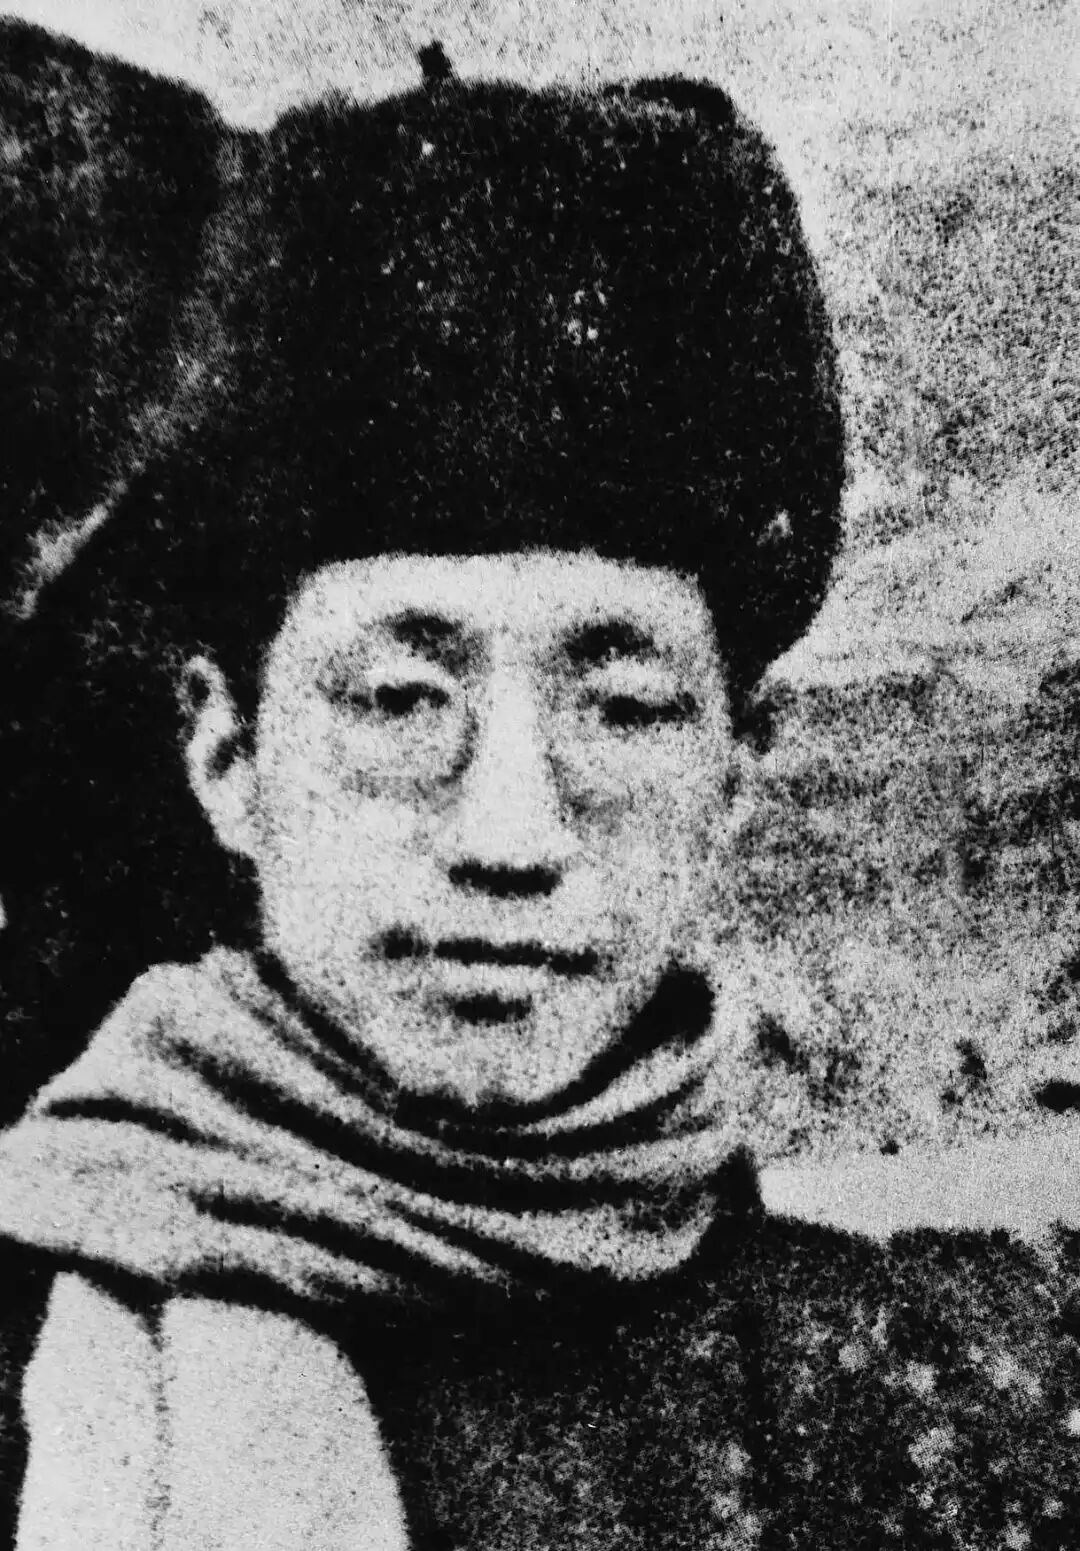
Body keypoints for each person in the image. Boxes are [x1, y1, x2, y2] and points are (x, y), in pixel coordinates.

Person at [0, 46, 1077, 1551]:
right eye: (400, 700)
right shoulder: (33, 1368)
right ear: (227, 755)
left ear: (735, 772)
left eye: (624, 708)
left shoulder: (944, 1408)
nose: (512, 838)